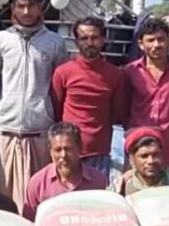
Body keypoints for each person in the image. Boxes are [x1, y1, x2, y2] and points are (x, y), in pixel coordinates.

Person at [0, 0, 69, 211]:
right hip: (7, 130)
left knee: (39, 196)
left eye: (31, 6)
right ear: (12, 8)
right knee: (5, 196)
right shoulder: (0, 40)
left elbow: (60, 85)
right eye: (20, 6)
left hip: (40, 131)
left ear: (40, 8)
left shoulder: (54, 42)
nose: (26, 11)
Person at [51, 15, 128, 181]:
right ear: (76, 41)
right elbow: (57, 110)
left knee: (97, 195)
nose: (89, 42)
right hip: (68, 151)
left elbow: (117, 113)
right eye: (84, 38)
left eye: (94, 37)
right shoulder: (63, 72)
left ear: (103, 39)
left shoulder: (115, 75)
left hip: (99, 152)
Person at [123, 16, 169, 185]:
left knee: (165, 193)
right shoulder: (130, 72)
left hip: (165, 148)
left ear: (168, 41)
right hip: (137, 147)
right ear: (141, 44)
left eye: (161, 39)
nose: (156, 45)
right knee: (133, 192)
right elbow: (122, 109)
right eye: (150, 40)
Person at [22, 122, 107, 221]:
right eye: (58, 150)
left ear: (80, 148)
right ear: (51, 152)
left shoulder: (98, 182)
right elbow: (28, 224)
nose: (63, 155)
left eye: (68, 149)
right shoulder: (37, 184)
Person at [113, 126, 169, 197]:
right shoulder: (119, 189)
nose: (151, 161)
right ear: (132, 160)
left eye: (156, 155)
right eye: (144, 156)